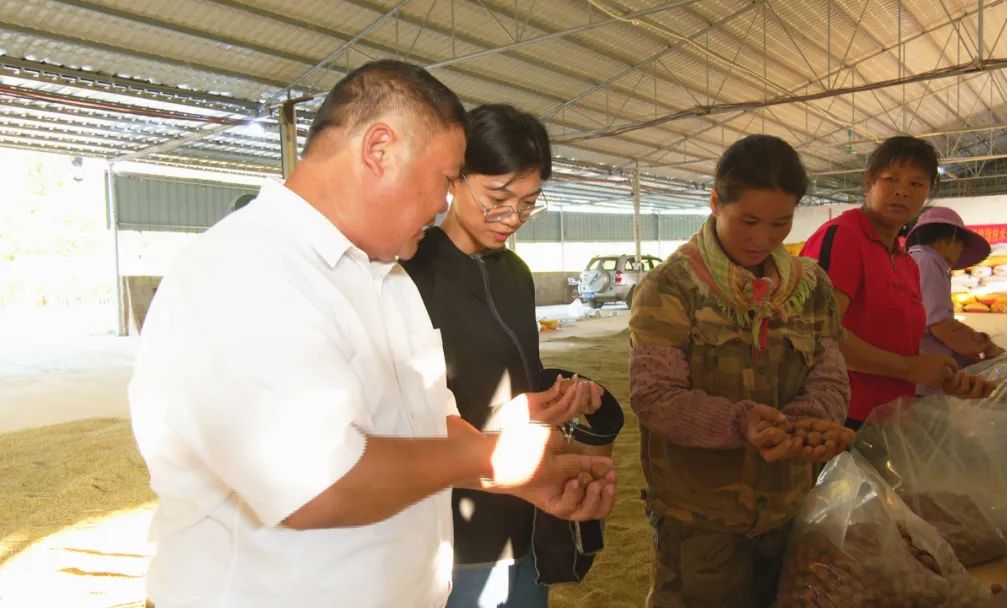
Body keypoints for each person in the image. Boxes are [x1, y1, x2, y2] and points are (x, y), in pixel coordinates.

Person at [127, 60, 615, 608]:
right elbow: (318, 484)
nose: (439, 206)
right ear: (379, 149)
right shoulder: (248, 268)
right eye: (444, 179)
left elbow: (433, 425)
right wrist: (489, 461)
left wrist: (522, 476)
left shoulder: (387, 278)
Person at [402, 103, 624, 608]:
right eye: (498, 197)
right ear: (454, 178)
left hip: (528, 508)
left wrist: (564, 396)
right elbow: (408, 412)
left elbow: (520, 370)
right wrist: (502, 421)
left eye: (528, 202)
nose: (512, 218)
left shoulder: (515, 274)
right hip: (457, 525)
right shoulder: (414, 274)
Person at [629, 134, 854, 608]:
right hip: (701, 522)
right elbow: (656, 396)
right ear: (715, 202)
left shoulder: (808, 287)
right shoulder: (671, 288)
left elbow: (830, 371)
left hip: (788, 509)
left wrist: (810, 416)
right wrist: (741, 423)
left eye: (780, 223)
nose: (763, 239)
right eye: (747, 221)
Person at [801, 136, 994, 429]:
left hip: (890, 418)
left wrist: (942, 376)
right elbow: (818, 335)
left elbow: (897, 344)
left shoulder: (906, 263)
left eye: (916, 184)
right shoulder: (844, 237)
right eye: (891, 179)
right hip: (841, 417)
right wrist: (908, 368)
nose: (902, 191)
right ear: (868, 183)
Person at [905, 206, 1003, 392]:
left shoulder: (917, 259)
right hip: (926, 372)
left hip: (920, 368)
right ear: (951, 240)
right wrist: (984, 347)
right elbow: (940, 324)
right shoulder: (928, 262)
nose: (959, 254)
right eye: (961, 247)